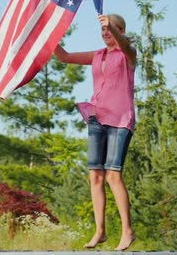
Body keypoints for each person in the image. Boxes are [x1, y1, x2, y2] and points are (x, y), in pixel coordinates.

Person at [54, 14, 136, 251]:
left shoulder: (128, 54)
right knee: (95, 177)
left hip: (120, 120)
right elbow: (64, 57)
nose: (106, 33)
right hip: (97, 118)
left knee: (113, 176)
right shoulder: (97, 55)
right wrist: (47, 39)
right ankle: (100, 231)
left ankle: (127, 231)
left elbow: (124, 43)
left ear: (120, 29)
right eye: (103, 31)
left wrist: (111, 25)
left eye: (110, 30)